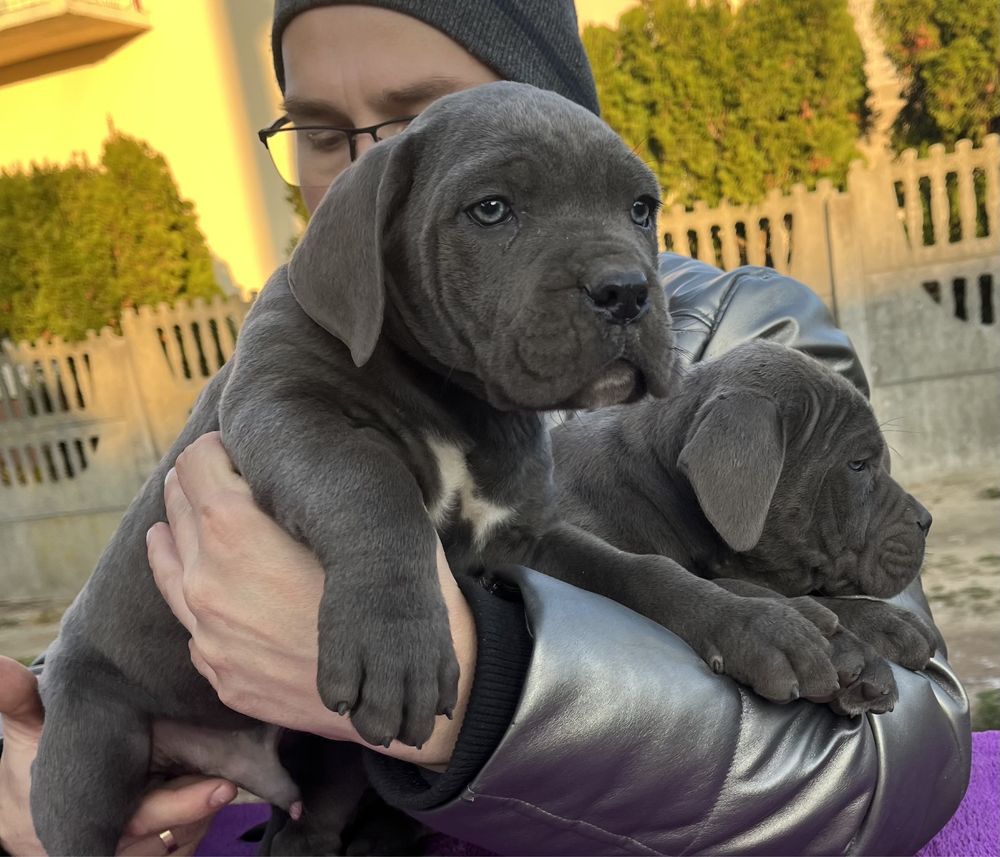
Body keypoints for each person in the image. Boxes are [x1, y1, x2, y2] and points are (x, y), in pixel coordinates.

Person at [0, 2, 972, 855]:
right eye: (318, 130)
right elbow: (167, 574)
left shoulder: (747, 345)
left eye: (432, 129)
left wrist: (487, 679)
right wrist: (34, 745)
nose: (362, 179)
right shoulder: (303, 341)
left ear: (549, 112)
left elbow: (903, 747)